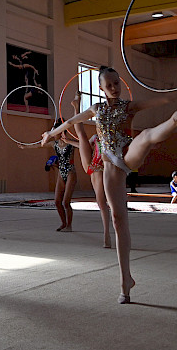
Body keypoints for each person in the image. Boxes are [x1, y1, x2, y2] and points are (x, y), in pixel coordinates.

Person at [42, 66, 177, 304]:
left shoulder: (129, 106)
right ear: (101, 89)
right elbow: (72, 121)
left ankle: (176, 119)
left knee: (146, 135)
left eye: (116, 83)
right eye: (109, 85)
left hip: (127, 153)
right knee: (118, 219)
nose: (114, 88)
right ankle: (125, 280)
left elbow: (164, 99)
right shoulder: (96, 109)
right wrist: (50, 134)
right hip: (110, 164)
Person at [69, 92, 111, 248]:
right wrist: (68, 141)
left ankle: (106, 234)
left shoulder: (110, 138)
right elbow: (83, 146)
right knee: (81, 136)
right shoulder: (95, 137)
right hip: (93, 166)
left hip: (101, 169)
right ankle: (76, 106)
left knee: (102, 202)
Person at [20, 120, 77, 232]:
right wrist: (25, 147)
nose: (53, 134)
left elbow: (83, 144)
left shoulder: (70, 143)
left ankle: (69, 226)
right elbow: (39, 146)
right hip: (61, 172)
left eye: (55, 132)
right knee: (57, 201)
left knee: (66, 202)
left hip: (71, 172)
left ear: (61, 132)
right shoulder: (54, 144)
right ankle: (63, 223)